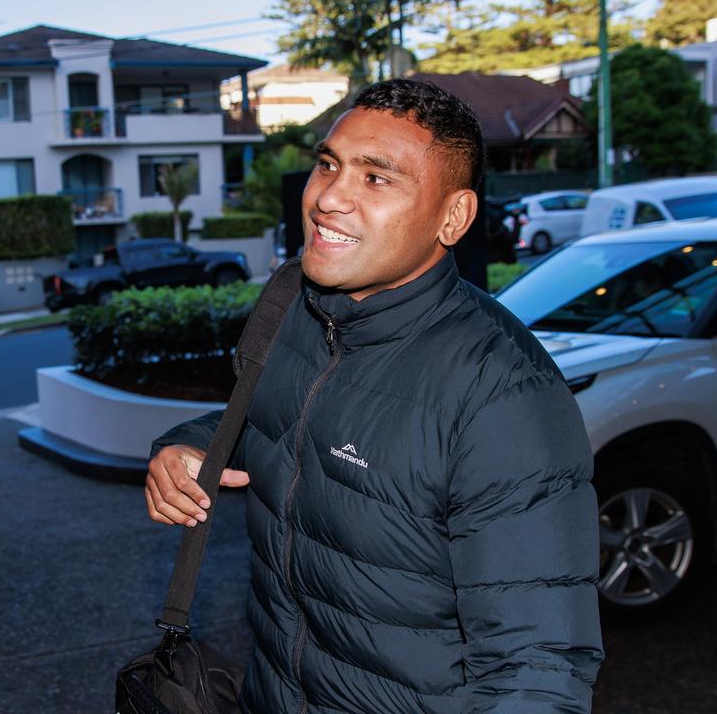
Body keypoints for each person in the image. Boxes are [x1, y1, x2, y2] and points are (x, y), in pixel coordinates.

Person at [145, 79, 603, 713]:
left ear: (454, 217)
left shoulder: (503, 392)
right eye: (328, 165)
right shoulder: (290, 304)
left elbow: (538, 669)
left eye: (376, 178)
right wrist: (192, 444)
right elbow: (281, 423)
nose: (330, 197)